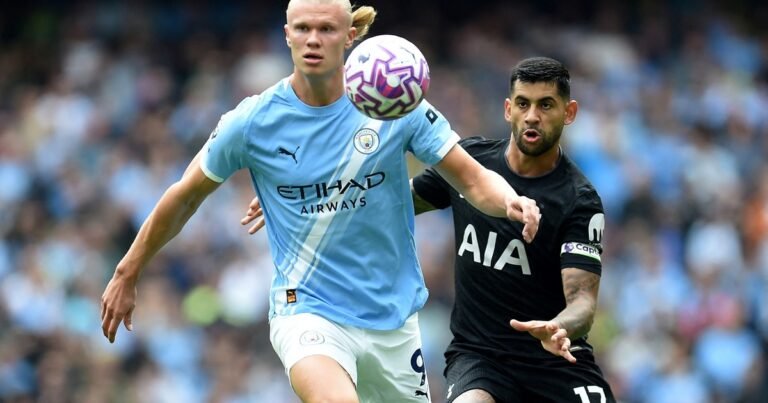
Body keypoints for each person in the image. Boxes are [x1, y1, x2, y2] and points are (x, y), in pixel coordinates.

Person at [99, 1, 540, 402]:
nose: (313, 39)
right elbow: (184, 197)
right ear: (287, 34)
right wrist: (128, 269)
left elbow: (474, 180)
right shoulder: (253, 121)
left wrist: (512, 201)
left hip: (393, 319)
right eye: (303, 28)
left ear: (351, 36)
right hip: (307, 309)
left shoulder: (393, 102)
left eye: (327, 29)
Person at [244, 56, 615, 402]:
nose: (532, 116)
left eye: (546, 105)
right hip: (480, 359)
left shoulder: (578, 199)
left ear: (569, 113)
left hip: (556, 361)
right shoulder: (472, 167)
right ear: (508, 109)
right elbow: (387, 203)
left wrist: (559, 327)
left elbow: (582, 299)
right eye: (523, 103)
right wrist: (306, 200)